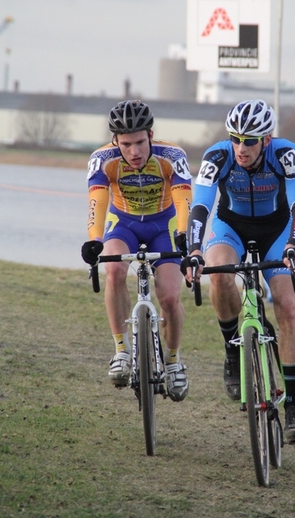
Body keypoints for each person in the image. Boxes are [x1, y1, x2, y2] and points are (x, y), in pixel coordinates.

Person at [181, 99, 295, 442]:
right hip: (231, 228)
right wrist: (194, 250)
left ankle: (294, 403)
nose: (241, 147)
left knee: (286, 304)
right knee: (219, 273)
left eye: (250, 140)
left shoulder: (285, 154)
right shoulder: (218, 156)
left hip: (277, 231)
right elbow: (200, 207)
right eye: (236, 138)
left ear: (266, 139)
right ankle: (231, 349)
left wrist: (294, 244)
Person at [81, 100, 192, 402]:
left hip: (164, 225)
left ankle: (172, 360)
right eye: (127, 144)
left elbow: (184, 201)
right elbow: (97, 203)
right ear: (115, 141)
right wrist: (94, 239)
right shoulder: (103, 159)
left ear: (151, 136)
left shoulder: (172, 156)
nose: (134, 152)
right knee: (114, 270)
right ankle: (121, 349)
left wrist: (184, 233)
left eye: (140, 142)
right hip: (124, 224)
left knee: (169, 296)